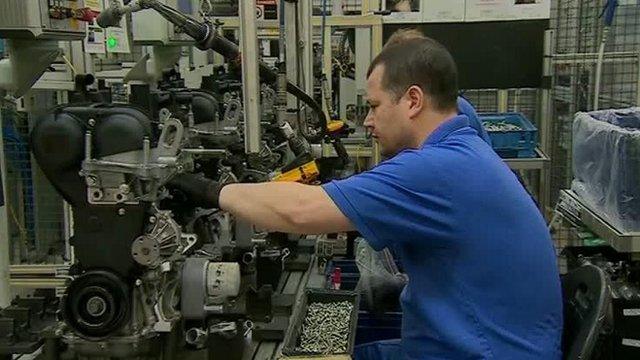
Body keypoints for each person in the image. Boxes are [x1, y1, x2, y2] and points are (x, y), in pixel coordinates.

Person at [170, 37, 563, 359]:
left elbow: (300, 212)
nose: (368, 121)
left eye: (374, 106)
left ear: (412, 100)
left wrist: (210, 190)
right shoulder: (463, 146)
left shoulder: (435, 170)